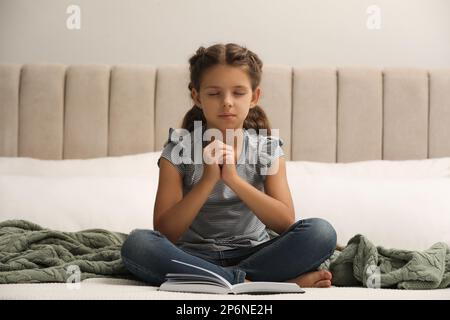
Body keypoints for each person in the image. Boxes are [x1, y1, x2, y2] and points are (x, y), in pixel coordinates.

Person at [121, 43, 337, 288]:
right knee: (138, 244)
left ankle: (222, 280)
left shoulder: (267, 149)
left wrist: (232, 178)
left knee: (321, 232)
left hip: (256, 254)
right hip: (193, 256)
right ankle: (254, 282)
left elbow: (285, 221)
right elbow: (165, 231)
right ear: (197, 96)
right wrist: (209, 179)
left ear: (254, 97)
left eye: (238, 93)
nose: (227, 102)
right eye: (214, 93)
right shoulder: (179, 149)